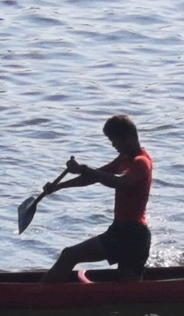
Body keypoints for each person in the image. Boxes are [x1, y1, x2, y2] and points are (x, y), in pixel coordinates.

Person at [42, 114, 154, 281]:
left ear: (128, 137)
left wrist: (86, 170)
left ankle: (43, 296)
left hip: (133, 234)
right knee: (127, 284)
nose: (113, 145)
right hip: (120, 229)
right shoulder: (124, 159)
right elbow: (95, 176)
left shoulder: (141, 162)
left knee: (69, 255)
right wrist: (58, 186)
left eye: (114, 140)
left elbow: (121, 182)